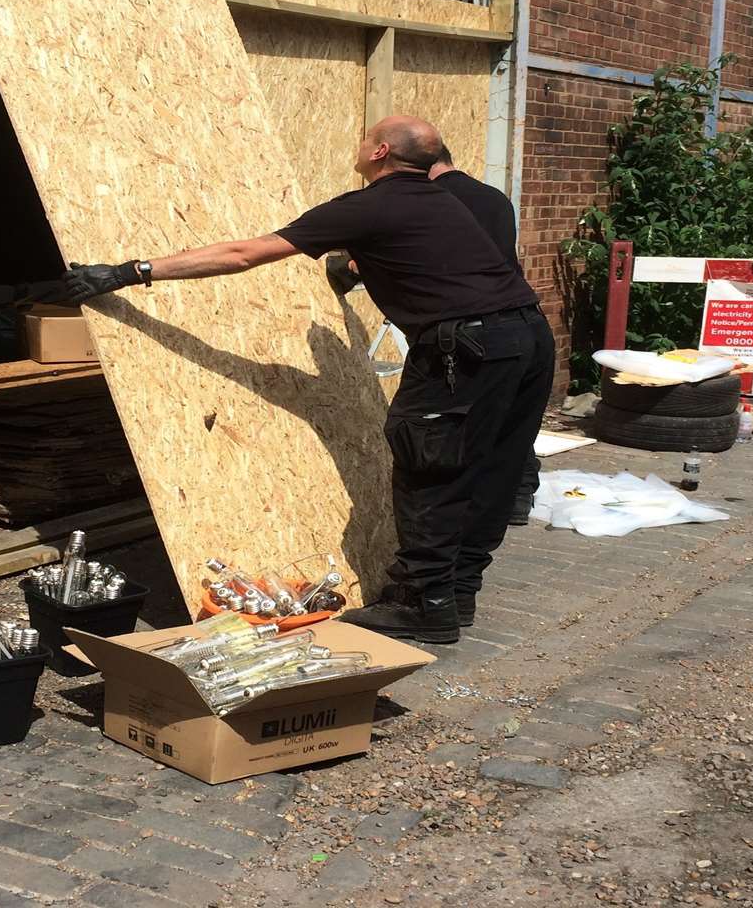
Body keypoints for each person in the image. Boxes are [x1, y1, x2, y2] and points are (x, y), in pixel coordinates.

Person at [58, 115, 554, 644]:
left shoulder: (366, 206)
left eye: (366, 139)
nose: (359, 146)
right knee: (496, 470)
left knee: (431, 465)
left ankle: (423, 604)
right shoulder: (452, 201)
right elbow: (434, 260)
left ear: (380, 151)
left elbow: (244, 254)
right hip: (528, 339)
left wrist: (130, 272)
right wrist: (361, 265)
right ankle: (458, 594)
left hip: (466, 349)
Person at [426, 146, 542, 527]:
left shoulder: (439, 201)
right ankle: (518, 496)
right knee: (514, 421)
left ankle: (476, 512)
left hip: (479, 330)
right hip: (527, 322)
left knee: (478, 422)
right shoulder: (492, 197)